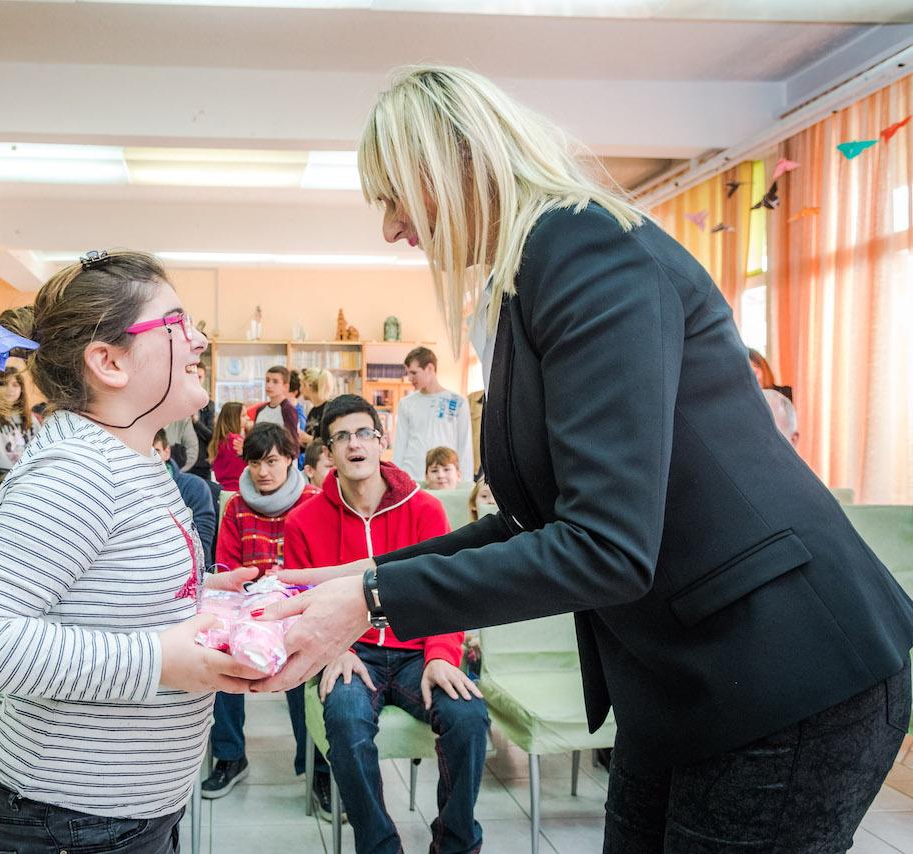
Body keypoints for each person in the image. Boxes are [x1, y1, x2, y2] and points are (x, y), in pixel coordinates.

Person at [257, 65, 913, 853]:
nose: (393, 228)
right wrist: (344, 581)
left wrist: (370, 596)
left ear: (457, 163)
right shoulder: (528, 276)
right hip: (681, 676)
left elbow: (605, 545)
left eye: (396, 196)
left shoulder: (584, 247)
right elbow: (534, 521)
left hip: (782, 666)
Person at [0, 251, 264, 854]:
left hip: (120, 809)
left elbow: (97, 589)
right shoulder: (76, 469)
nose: (199, 339)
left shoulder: (130, 454)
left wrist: (193, 595)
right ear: (108, 361)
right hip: (71, 818)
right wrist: (157, 659)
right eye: (177, 324)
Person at [283, 395, 488, 853]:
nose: (354, 444)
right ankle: (378, 846)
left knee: (469, 716)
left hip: (418, 651)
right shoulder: (303, 521)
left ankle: (455, 844)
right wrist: (336, 650)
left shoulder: (427, 511)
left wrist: (440, 656)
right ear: (328, 452)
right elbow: (300, 603)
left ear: (381, 442)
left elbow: (448, 595)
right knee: (346, 717)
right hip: (352, 653)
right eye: (341, 437)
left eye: (364, 433)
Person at [204, 423, 323, 800]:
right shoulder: (237, 506)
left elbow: (322, 569)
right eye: (255, 463)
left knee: (305, 659)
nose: (263, 471)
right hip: (249, 604)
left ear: (291, 459)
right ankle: (230, 756)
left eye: (272, 461)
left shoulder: (313, 501)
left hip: (300, 603)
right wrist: (252, 592)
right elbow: (226, 569)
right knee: (219, 656)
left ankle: (316, 765)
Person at [391, 347, 474, 483]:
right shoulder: (406, 403)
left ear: (430, 368)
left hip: (444, 479)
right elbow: (399, 445)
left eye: (413, 373)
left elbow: (465, 447)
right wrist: (396, 480)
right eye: (408, 373)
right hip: (412, 477)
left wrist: (466, 483)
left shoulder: (458, 402)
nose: (409, 378)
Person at [153, 429, 218, 565]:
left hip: (189, 575)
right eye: (142, 454)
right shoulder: (129, 490)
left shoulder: (194, 488)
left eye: (155, 452)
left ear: (167, 452)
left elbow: (201, 551)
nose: (149, 459)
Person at [247, 366, 301, 453]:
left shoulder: (288, 410)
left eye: (275, 382)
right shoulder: (260, 410)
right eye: (267, 380)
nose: (269, 385)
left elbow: (293, 442)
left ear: (286, 387)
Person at [209, 400, 248, 492]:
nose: (247, 418)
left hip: (223, 489)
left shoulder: (221, 440)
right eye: (243, 416)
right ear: (233, 418)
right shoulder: (236, 441)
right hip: (238, 489)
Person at [189, 362, 216, 481]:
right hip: (182, 460)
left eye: (199, 377)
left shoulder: (209, 405)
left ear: (204, 378)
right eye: (193, 376)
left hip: (202, 462)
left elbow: (211, 435)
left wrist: (196, 422)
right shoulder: (178, 401)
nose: (196, 380)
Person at [299, 366, 337, 446]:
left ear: (308, 386)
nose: (300, 390)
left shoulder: (331, 410)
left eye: (301, 385)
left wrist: (308, 439)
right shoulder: (313, 411)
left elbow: (332, 441)